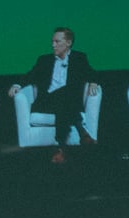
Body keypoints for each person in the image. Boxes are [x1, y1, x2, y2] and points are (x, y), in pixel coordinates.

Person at [8, 27, 99, 164]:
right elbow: (30, 75)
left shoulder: (79, 58)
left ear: (68, 43)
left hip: (67, 103)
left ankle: (60, 149)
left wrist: (93, 82)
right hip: (47, 101)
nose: (53, 45)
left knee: (65, 97)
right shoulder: (44, 60)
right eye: (52, 41)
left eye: (57, 41)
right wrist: (17, 85)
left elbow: (91, 72)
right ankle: (82, 132)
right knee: (64, 96)